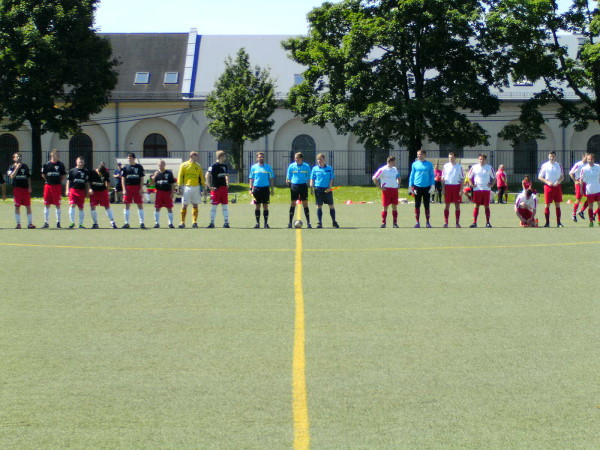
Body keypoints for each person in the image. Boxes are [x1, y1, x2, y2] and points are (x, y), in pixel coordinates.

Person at [310, 153, 339, 229]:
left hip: (327, 189)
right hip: (318, 189)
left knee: (331, 205)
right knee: (319, 206)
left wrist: (329, 187)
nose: (319, 161)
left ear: (324, 160)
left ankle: (334, 222)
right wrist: (311, 187)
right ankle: (320, 223)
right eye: (318, 159)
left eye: (321, 159)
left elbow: (331, 178)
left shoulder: (329, 168)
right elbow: (312, 179)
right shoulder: (315, 169)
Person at [177, 151, 205, 228]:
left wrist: (203, 186)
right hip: (187, 187)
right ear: (192, 156)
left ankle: (194, 222)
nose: (198, 158)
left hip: (196, 187)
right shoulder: (184, 165)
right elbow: (180, 176)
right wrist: (179, 186)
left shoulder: (198, 166)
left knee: (195, 204)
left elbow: (201, 177)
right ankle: (182, 222)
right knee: (184, 205)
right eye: (197, 156)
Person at [8, 152, 35, 228]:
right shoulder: (11, 166)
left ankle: (30, 223)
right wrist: (17, 168)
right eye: (17, 157)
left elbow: (28, 177)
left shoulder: (25, 166)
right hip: (17, 188)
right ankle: (18, 224)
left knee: (28, 206)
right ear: (14, 158)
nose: (19, 158)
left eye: (20, 156)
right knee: (17, 206)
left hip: (25, 189)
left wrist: (29, 187)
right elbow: (12, 176)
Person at [409, 149, 435, 228]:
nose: (418, 156)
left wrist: (432, 185)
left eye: (419, 154)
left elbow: (431, 175)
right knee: (417, 205)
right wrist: (410, 186)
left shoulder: (429, 164)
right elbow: (412, 175)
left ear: (424, 155)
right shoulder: (414, 164)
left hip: (426, 187)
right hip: (417, 186)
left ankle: (427, 222)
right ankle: (417, 222)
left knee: (427, 205)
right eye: (417, 154)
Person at [372, 156, 401, 228]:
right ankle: (383, 223)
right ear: (391, 161)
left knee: (394, 206)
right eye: (394, 161)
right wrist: (380, 187)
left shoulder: (394, 169)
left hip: (394, 190)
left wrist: (398, 184)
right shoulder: (383, 169)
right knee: (385, 207)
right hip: (386, 190)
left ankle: (395, 223)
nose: (395, 163)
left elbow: (398, 177)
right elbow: (374, 178)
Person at [538, 151, 564, 227]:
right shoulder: (544, 165)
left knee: (557, 205)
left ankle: (558, 223)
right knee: (547, 205)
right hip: (548, 187)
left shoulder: (559, 165)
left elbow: (562, 177)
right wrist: (547, 182)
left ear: (555, 157)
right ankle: (547, 223)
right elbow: (540, 177)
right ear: (548, 157)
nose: (551, 158)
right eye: (550, 156)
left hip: (557, 187)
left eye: (553, 156)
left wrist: (558, 182)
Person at [249, 152, 275, 228]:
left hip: (265, 189)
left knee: (265, 206)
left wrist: (272, 189)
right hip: (256, 189)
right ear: (257, 158)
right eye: (260, 157)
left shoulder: (268, 167)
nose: (261, 158)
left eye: (262, 157)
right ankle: (257, 223)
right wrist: (250, 189)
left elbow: (271, 178)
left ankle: (266, 223)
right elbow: (251, 178)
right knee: (257, 206)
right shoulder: (253, 167)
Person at [41, 149, 67, 228]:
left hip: (57, 186)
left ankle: (58, 223)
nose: (58, 156)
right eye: (57, 154)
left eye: (59, 155)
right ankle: (46, 223)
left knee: (57, 204)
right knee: (47, 204)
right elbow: (43, 175)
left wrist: (58, 181)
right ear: (52, 155)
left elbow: (63, 175)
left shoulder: (61, 165)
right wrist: (48, 180)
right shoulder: (46, 164)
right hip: (48, 186)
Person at [468, 154, 495, 228]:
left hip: (486, 189)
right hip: (477, 189)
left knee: (486, 206)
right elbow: (469, 177)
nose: (481, 161)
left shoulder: (489, 167)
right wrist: (471, 184)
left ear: (485, 160)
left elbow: (494, 177)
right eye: (480, 159)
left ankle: (488, 223)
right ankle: (474, 223)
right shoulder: (474, 167)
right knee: (476, 206)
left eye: (482, 159)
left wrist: (492, 184)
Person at [286, 152, 312, 228]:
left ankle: (308, 223)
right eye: (295, 158)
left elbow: (308, 176)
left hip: (303, 186)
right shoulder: (291, 166)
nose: (295, 159)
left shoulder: (306, 166)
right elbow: (288, 176)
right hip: (294, 186)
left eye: (297, 158)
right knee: (293, 204)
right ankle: (290, 223)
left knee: (305, 204)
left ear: (301, 158)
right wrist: (288, 181)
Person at [121, 152, 146, 229]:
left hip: (137, 187)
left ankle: (142, 222)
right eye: (128, 158)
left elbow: (142, 178)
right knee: (127, 205)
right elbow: (123, 179)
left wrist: (141, 188)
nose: (129, 159)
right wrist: (124, 189)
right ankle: (126, 223)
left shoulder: (139, 167)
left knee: (139, 204)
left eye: (130, 158)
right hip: (128, 187)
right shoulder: (125, 168)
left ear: (134, 158)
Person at [89, 162, 117, 229]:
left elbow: (108, 182)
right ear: (98, 170)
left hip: (102, 192)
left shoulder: (105, 173)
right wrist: (89, 189)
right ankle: (95, 223)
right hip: (94, 192)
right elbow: (88, 182)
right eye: (100, 173)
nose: (101, 175)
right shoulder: (92, 173)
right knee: (92, 207)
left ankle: (112, 222)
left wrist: (107, 191)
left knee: (107, 206)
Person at [206, 150, 230, 228]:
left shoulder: (225, 166)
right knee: (214, 206)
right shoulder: (213, 166)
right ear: (221, 156)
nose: (225, 157)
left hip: (223, 189)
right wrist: (209, 186)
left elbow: (226, 175)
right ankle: (212, 223)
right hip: (216, 189)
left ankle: (226, 223)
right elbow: (207, 175)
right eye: (224, 156)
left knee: (225, 206)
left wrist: (227, 182)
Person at [66, 157, 90, 228]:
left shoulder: (85, 171)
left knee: (81, 207)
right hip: (73, 190)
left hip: (81, 191)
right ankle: (72, 222)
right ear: (76, 162)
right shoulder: (72, 170)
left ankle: (81, 224)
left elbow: (87, 182)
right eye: (79, 162)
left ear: (84, 163)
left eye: (82, 162)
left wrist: (88, 190)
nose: (81, 163)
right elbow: (68, 181)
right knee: (72, 205)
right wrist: (67, 190)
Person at [441, 151, 464, 228]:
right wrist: (443, 188)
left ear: (455, 157)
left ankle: (457, 223)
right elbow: (443, 178)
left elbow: (462, 179)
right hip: (448, 187)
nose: (450, 158)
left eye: (452, 157)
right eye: (449, 157)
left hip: (456, 187)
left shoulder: (459, 166)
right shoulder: (445, 166)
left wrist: (461, 189)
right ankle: (446, 222)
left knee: (457, 205)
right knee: (447, 205)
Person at [151, 159, 176, 228]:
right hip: (159, 192)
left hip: (167, 192)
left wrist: (172, 192)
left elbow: (172, 183)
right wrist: (154, 176)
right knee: (157, 208)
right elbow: (150, 184)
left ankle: (170, 223)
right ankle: (157, 223)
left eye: (162, 164)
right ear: (157, 165)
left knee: (169, 208)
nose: (160, 166)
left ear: (164, 165)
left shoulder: (169, 173)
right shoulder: (155, 173)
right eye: (159, 164)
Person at [579, 152, 600, 227]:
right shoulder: (584, 169)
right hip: (589, 190)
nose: (589, 160)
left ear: (593, 159)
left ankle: (599, 221)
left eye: (591, 159)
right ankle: (591, 221)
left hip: (598, 189)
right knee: (590, 206)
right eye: (588, 159)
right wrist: (581, 189)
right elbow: (581, 179)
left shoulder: (598, 167)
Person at [569, 153, 589, 222]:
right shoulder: (578, 164)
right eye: (586, 157)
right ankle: (574, 214)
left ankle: (581, 211)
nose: (587, 159)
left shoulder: (588, 165)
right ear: (583, 157)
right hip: (579, 183)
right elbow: (571, 172)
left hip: (586, 183)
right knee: (578, 199)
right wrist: (575, 181)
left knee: (590, 198)